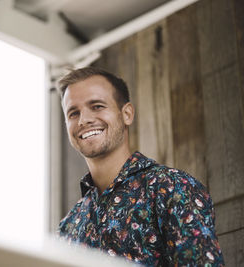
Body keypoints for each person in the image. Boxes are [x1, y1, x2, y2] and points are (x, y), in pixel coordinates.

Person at [57, 67, 224, 266]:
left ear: (127, 114)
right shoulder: (68, 227)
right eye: (73, 113)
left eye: (97, 106)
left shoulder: (172, 188)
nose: (84, 120)